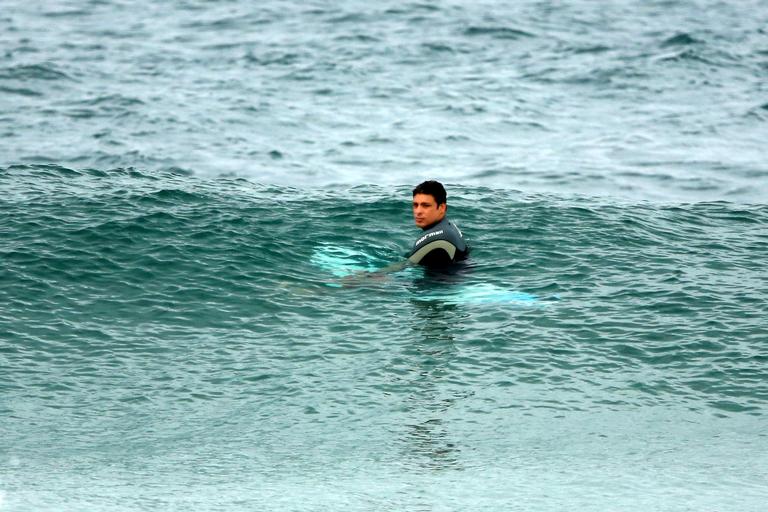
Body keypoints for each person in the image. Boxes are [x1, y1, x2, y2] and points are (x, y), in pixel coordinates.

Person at [408, 180, 469, 267]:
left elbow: (404, 267)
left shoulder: (436, 238)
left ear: (442, 208)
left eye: (425, 205)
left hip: (440, 279)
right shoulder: (448, 227)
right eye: (415, 205)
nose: (418, 211)